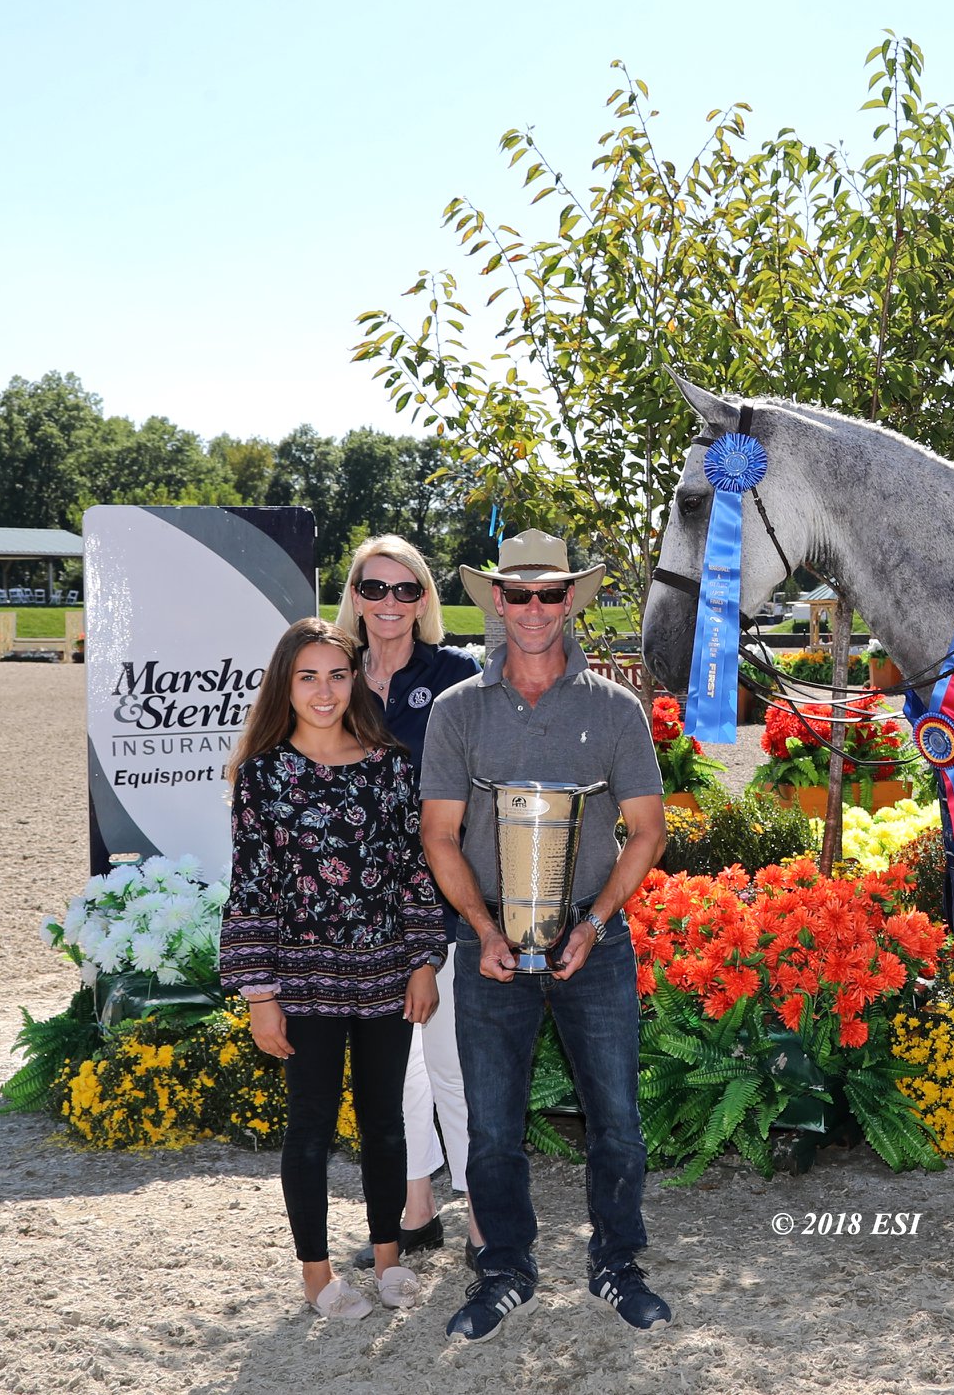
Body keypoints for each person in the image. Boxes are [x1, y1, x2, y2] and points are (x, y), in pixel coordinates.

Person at [419, 528, 671, 1341]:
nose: (533, 609)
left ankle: (617, 1263)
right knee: (492, 1124)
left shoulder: (614, 708)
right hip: (488, 944)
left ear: (571, 601)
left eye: (550, 594)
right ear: (497, 600)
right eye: (518, 594)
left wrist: (596, 924)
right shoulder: (459, 711)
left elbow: (647, 830)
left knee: (618, 1120)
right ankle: (505, 1269)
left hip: (594, 941)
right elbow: (439, 836)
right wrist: (483, 930)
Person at [219, 618, 448, 1321]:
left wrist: (423, 961)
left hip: (385, 973)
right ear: (285, 685)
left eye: (337, 675)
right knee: (312, 1127)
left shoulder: (390, 764)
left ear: (357, 681)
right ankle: (317, 1279)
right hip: (303, 979)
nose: (324, 692)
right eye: (308, 677)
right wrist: (260, 994)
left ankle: (386, 1261)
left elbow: (413, 871)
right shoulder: (261, 775)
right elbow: (252, 885)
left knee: (385, 1122)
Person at [334, 535, 483, 1273]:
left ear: (424, 600)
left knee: (454, 1063)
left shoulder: (457, 676)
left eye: (405, 589)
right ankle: (417, 1213)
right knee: (397, 1074)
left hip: (444, 900)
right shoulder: (332, 675)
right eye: (374, 588)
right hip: (362, 911)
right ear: (354, 595)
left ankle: (485, 1223)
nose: (389, 603)